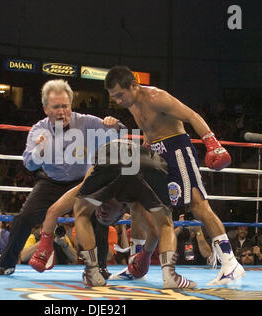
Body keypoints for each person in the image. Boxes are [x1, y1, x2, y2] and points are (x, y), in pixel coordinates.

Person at [104, 65, 245, 285]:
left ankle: (230, 262)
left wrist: (212, 144)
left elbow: (192, 115)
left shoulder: (157, 97)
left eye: (120, 95)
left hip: (177, 150)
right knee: (139, 204)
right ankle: (136, 263)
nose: (119, 101)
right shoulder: (131, 102)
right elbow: (150, 130)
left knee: (198, 205)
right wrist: (145, 150)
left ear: (134, 85)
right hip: (155, 155)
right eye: (114, 97)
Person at [0, 79, 125, 276]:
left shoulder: (86, 122)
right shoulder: (38, 129)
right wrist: (40, 150)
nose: (61, 111)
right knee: (24, 218)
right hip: (51, 182)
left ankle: (100, 267)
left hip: (82, 181)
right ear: (46, 108)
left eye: (65, 106)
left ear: (71, 104)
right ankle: (7, 263)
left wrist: (113, 123)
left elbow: (120, 132)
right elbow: (29, 164)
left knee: (99, 215)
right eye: (56, 107)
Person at [31, 139, 196, 288]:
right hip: (148, 163)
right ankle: (169, 275)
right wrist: (145, 255)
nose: (102, 211)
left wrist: (46, 244)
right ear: (124, 208)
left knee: (81, 213)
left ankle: (92, 271)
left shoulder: (102, 185)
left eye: (103, 214)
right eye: (104, 215)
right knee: (165, 224)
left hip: (116, 154)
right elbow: (154, 233)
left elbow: (54, 211)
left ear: (123, 210)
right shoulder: (135, 202)